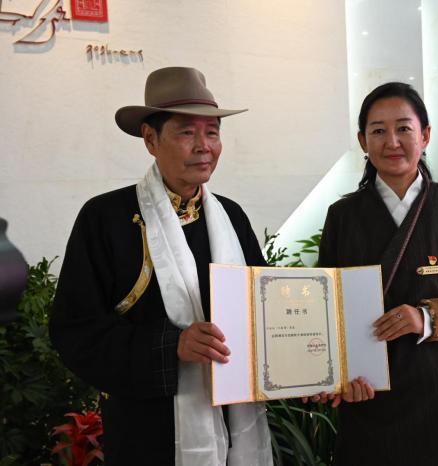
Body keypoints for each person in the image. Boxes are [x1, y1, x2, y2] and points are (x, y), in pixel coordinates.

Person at [49, 67, 272, 466]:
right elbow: (75, 331)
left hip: (234, 425)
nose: (204, 146)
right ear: (150, 139)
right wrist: (173, 347)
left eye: (212, 132)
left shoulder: (232, 218)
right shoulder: (106, 218)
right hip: (146, 433)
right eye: (187, 132)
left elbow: (264, 312)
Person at [316, 82, 438, 465]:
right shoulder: (343, 216)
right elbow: (328, 309)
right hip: (372, 393)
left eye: (404, 128)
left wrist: (424, 318)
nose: (392, 141)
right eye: (378, 130)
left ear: (425, 135)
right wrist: (336, 375)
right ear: (362, 141)